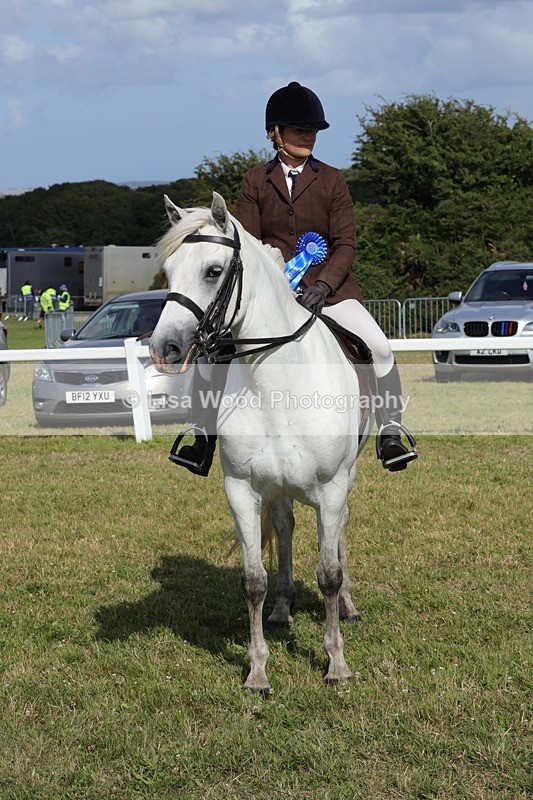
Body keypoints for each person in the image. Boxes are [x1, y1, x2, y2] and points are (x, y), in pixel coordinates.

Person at [175, 81, 417, 475]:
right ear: (276, 133)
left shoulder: (333, 179)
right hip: (272, 293)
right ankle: (201, 435)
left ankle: (390, 430)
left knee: (379, 346)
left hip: (331, 289)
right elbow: (248, 245)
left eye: (313, 130)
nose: (308, 136)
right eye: (299, 129)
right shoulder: (255, 181)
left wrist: (323, 287)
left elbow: (346, 243)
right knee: (213, 354)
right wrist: (276, 283)